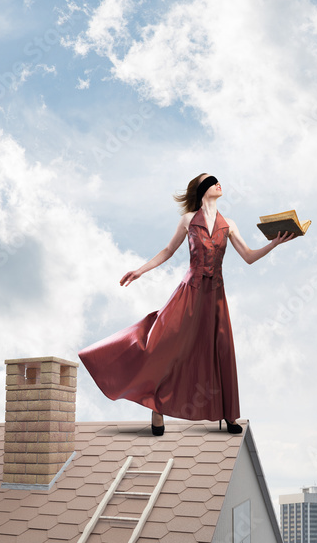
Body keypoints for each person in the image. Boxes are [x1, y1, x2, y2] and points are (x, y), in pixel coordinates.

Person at [78, 173, 295, 435]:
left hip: (215, 296)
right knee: (165, 345)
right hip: (189, 293)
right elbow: (168, 251)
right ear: (203, 190)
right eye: (212, 181)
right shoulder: (188, 220)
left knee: (220, 350)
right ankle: (156, 406)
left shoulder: (230, 224)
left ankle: (229, 414)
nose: (218, 183)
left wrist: (274, 244)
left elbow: (248, 256)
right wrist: (140, 270)